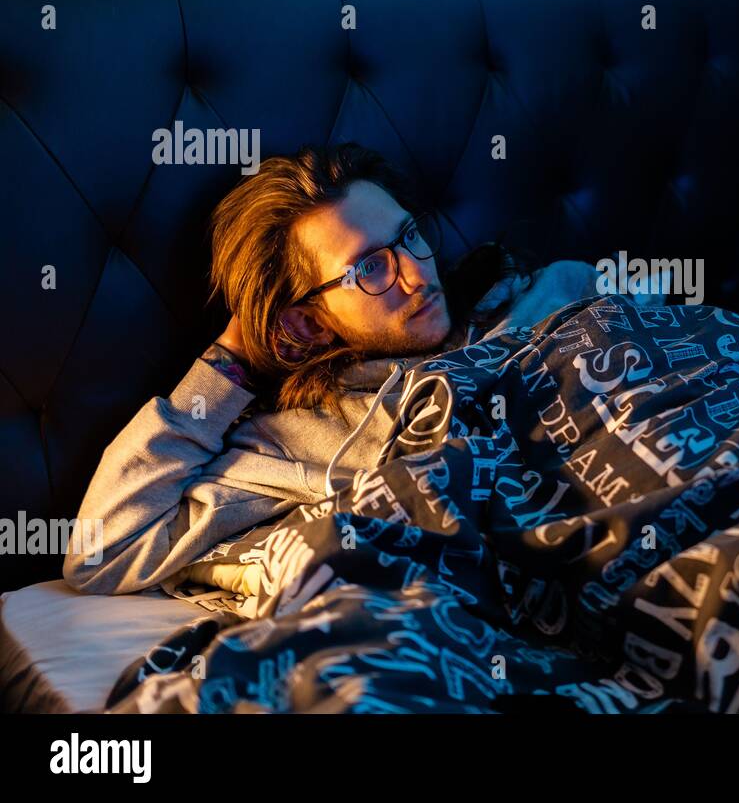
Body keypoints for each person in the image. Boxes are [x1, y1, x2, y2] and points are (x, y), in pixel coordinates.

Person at [63, 143, 599, 595]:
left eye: (409, 235)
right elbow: (100, 553)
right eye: (370, 268)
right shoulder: (307, 438)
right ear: (310, 322)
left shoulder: (552, 290)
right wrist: (231, 360)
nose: (416, 275)